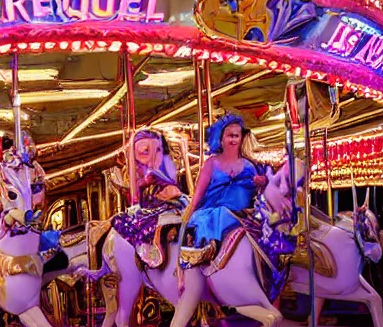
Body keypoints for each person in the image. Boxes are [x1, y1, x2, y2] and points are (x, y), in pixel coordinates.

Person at [179, 113, 267, 269]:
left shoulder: (249, 166)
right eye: (229, 136)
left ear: (242, 138)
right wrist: (190, 210)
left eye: (236, 136)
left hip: (242, 213)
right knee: (218, 216)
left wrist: (261, 184)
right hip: (216, 211)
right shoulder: (212, 163)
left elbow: (258, 196)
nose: (233, 140)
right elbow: (200, 191)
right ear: (221, 139)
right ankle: (208, 250)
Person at [110, 128, 188, 267]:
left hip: (170, 200)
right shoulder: (154, 168)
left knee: (134, 222)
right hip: (166, 201)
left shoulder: (160, 167)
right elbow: (135, 193)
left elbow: (143, 187)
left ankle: (152, 253)